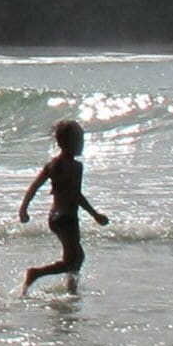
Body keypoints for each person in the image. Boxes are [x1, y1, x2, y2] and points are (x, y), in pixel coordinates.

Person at [19, 117, 107, 295]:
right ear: (67, 143)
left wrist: (24, 208)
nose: (82, 144)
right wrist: (95, 214)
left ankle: (71, 289)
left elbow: (34, 187)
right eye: (79, 141)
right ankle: (36, 273)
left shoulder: (52, 164)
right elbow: (77, 196)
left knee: (77, 257)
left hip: (55, 218)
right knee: (71, 260)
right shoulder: (75, 167)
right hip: (67, 219)